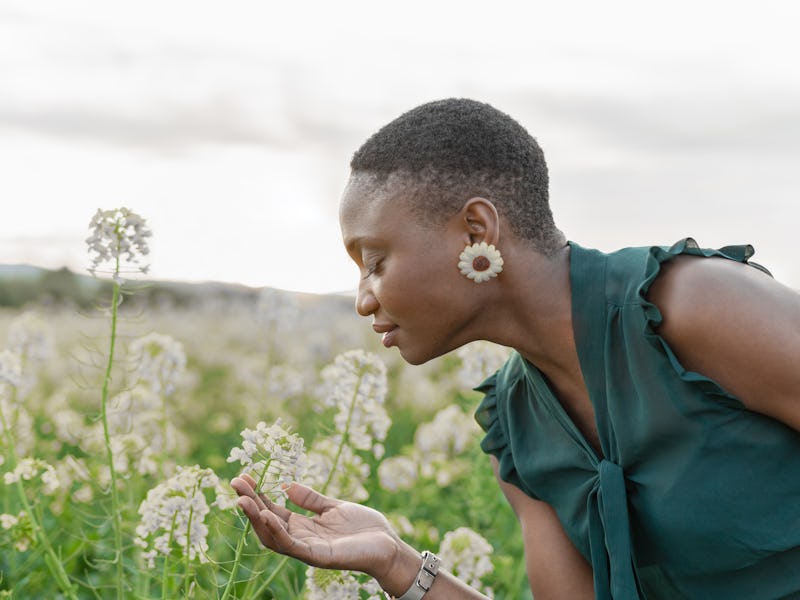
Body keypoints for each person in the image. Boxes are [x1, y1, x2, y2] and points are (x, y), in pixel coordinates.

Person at [232, 98, 800, 599]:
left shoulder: (695, 305)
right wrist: (396, 562)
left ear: (477, 231)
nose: (363, 300)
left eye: (375, 262)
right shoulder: (517, 429)